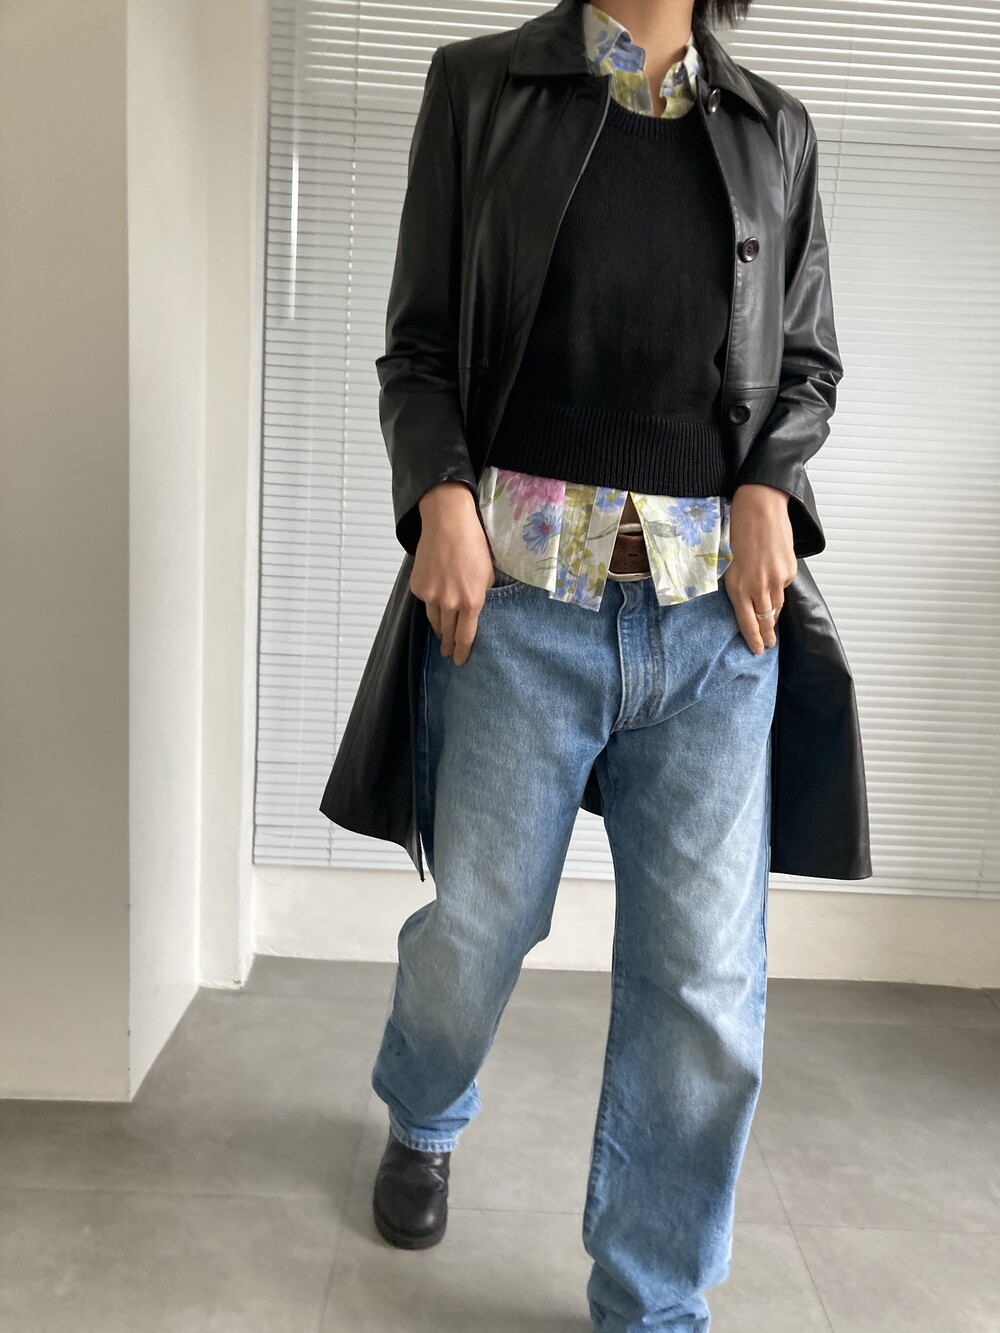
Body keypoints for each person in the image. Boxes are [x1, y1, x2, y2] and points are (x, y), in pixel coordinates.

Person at [351, 0, 856, 1327]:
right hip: (515, 609)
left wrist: (772, 486)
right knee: (477, 932)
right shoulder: (479, 89)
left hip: (714, 624)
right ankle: (423, 1106)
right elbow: (421, 347)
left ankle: (653, 1301)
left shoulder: (775, 132)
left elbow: (807, 365)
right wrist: (440, 498)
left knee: (703, 987)